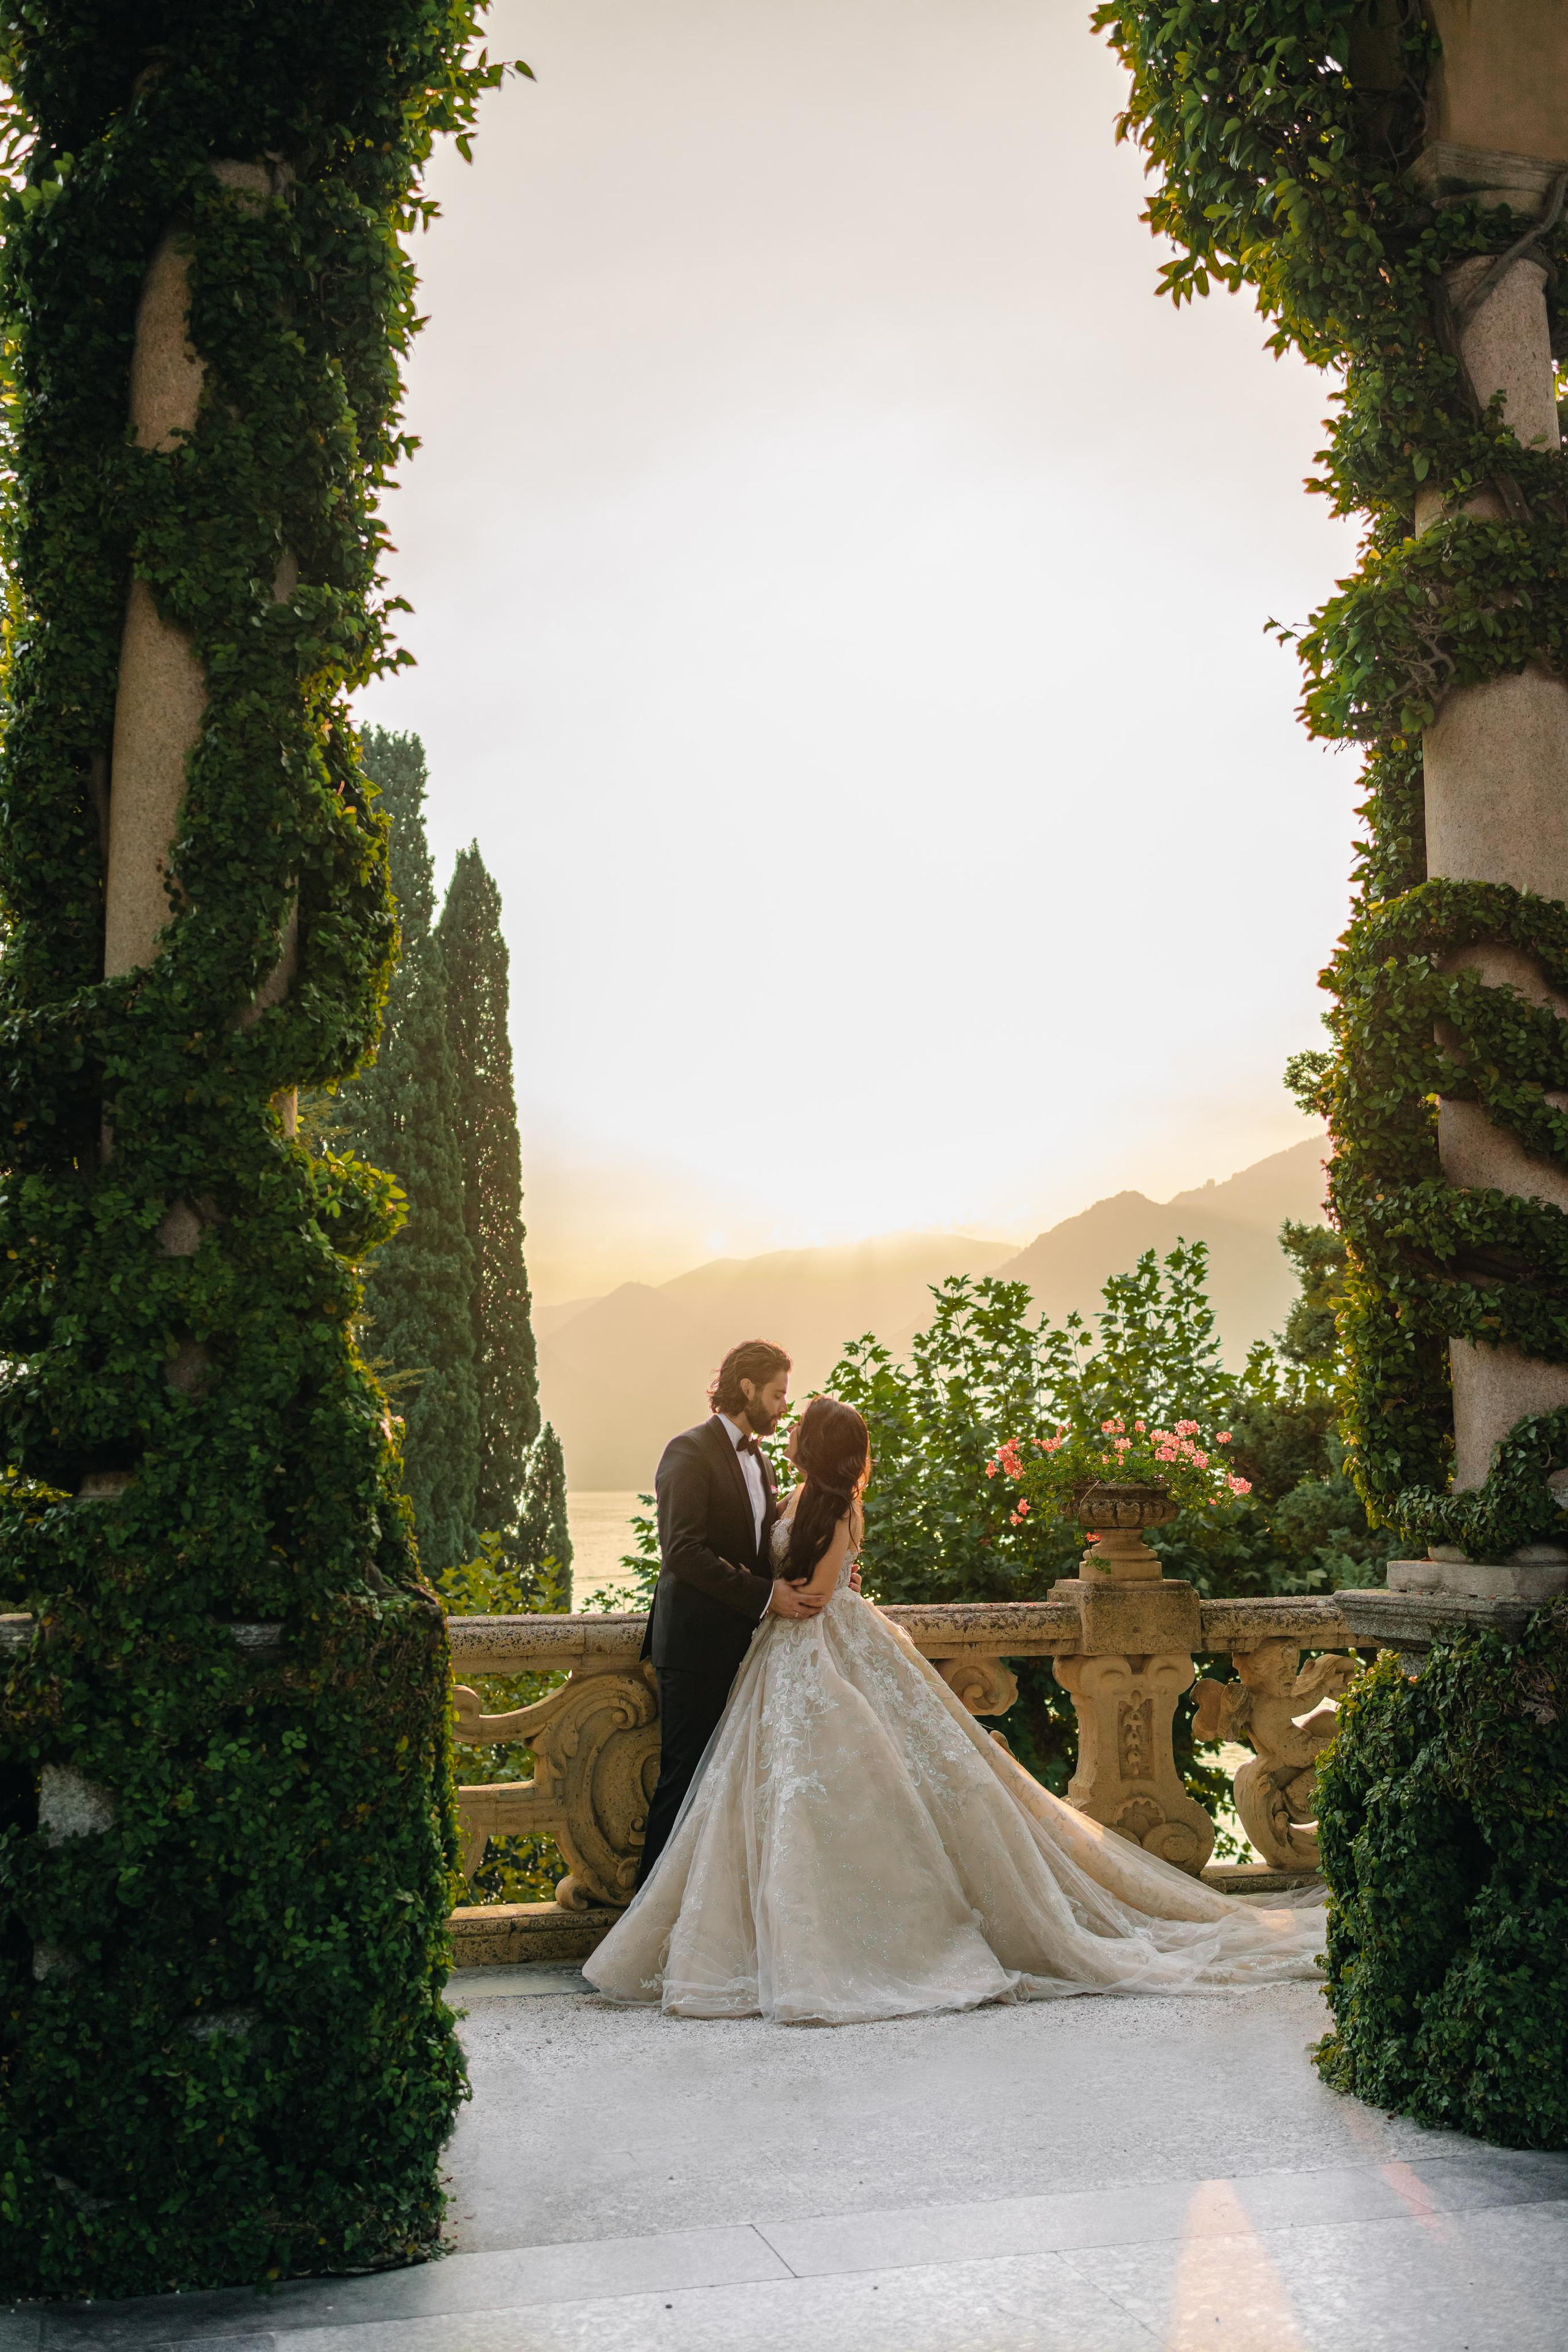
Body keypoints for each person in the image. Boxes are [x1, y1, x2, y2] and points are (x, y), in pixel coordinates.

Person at [587, 1394, 1325, 2024]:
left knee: (834, 1789)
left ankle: (850, 1944)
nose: (786, 1428)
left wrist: (771, 1588)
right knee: (783, 1795)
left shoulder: (828, 1503)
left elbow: (812, 1594)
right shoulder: (802, 1495)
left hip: (816, 1647)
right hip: (788, 1658)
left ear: (815, 1446)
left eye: (799, 1427)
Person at [633, 1340, 859, 1888]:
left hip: (752, 1650)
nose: (785, 1406)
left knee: (731, 1788)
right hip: (694, 1647)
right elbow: (682, 1552)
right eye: (779, 1393)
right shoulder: (687, 1451)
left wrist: (836, 1570)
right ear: (747, 1388)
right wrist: (766, 1596)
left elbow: (769, 1551)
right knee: (683, 1779)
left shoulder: (761, 1463)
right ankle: (642, 1920)